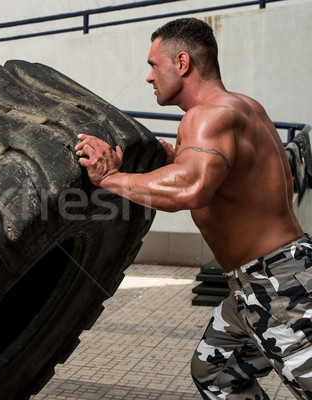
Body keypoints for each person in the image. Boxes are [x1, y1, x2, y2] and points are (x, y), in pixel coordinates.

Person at [75, 17, 312, 399]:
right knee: (216, 371)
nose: (149, 77)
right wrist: (177, 157)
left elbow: (191, 187)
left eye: (154, 65)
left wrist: (109, 178)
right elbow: (221, 178)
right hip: (257, 283)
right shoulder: (244, 107)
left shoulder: (205, 117)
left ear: (182, 63)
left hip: (279, 286)